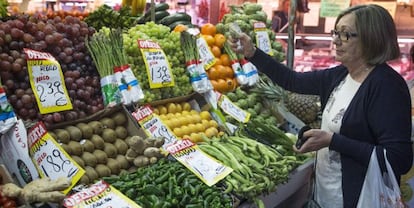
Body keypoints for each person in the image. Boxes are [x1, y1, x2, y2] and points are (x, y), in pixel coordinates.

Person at [229, 4, 413, 208]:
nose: (335, 40)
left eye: (345, 35)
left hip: (360, 199)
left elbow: (398, 159)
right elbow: (292, 81)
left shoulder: (387, 86)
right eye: (336, 32)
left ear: (371, 38)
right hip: (326, 194)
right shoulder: (341, 75)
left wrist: (333, 141)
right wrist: (253, 53)